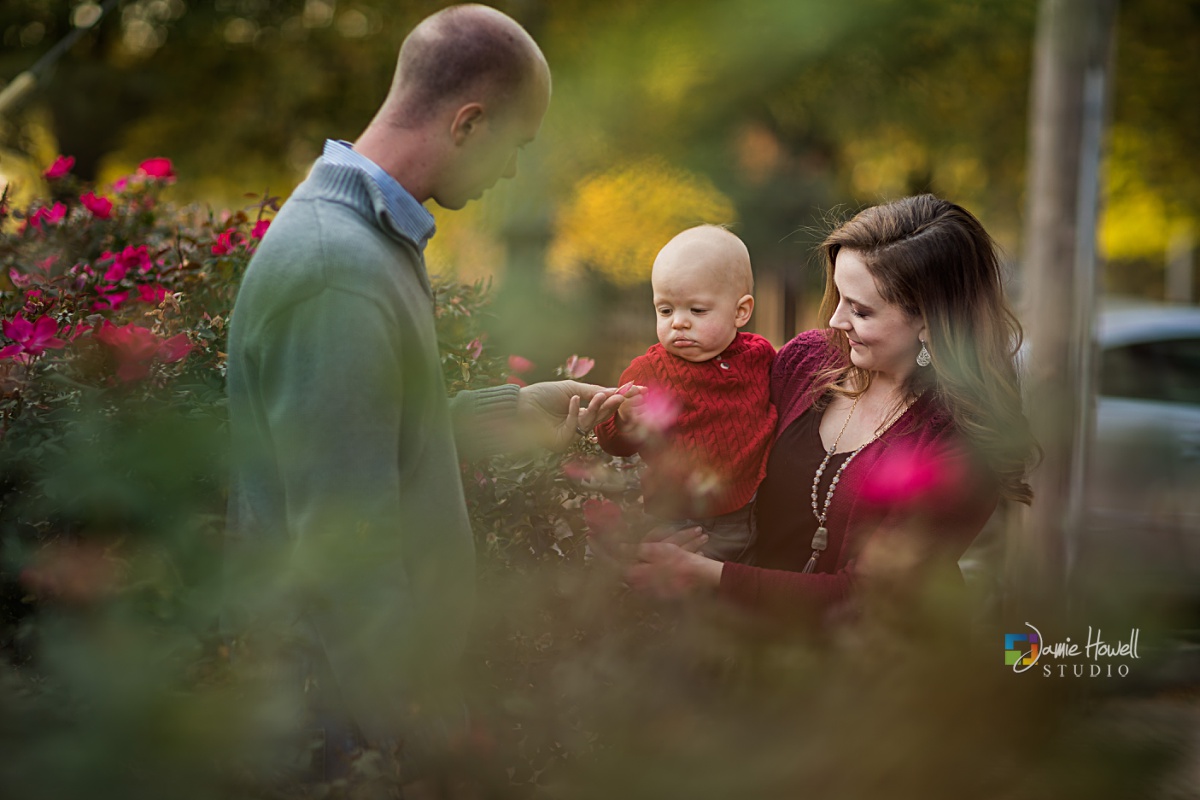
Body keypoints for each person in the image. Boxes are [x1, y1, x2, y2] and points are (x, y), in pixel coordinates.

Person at [224, 4, 626, 781]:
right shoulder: (336, 266)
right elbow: (345, 547)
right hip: (346, 726)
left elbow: (357, 439)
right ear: (470, 123)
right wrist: (418, 730)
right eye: (516, 147)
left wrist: (511, 410)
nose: (512, 173)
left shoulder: (363, 238)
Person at [600, 195, 1038, 627]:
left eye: (861, 310)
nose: (836, 321)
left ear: (930, 320)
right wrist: (682, 534)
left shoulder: (960, 442)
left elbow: (869, 598)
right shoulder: (806, 362)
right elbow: (709, 421)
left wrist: (709, 575)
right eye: (840, 298)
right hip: (744, 654)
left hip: (871, 677)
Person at [595, 225, 776, 562]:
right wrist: (623, 419)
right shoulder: (648, 373)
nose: (678, 322)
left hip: (753, 506)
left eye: (697, 310)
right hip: (681, 519)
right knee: (684, 595)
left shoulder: (760, 356)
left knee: (738, 592)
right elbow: (611, 442)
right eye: (665, 310)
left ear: (741, 311)